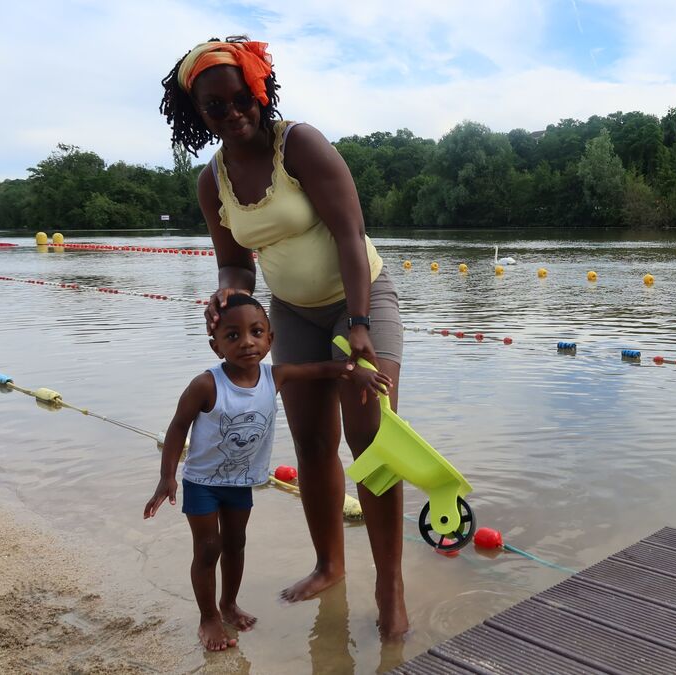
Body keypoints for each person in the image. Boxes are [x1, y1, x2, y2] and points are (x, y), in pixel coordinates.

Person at [159, 37, 411, 636]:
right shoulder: (211, 181)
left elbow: (351, 236)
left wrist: (360, 325)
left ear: (260, 89)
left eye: (244, 97)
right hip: (291, 312)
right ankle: (329, 565)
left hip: (362, 299)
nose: (235, 111)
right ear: (199, 115)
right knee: (313, 443)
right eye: (216, 106)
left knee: (372, 442)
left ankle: (389, 583)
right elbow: (236, 264)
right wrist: (226, 291)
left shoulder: (298, 143)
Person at [143, 294, 391, 651]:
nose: (246, 342)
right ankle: (209, 617)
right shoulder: (207, 385)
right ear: (216, 347)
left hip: (241, 481)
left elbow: (323, 369)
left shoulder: (275, 376)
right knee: (208, 549)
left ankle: (229, 603)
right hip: (203, 483)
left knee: (236, 543)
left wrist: (357, 373)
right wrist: (167, 477)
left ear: (270, 340)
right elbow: (178, 427)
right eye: (232, 336)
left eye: (256, 332)